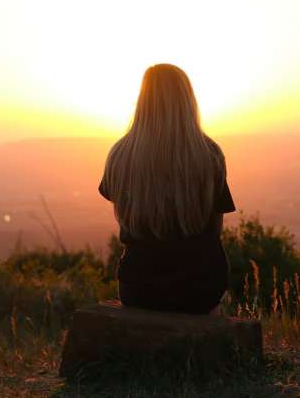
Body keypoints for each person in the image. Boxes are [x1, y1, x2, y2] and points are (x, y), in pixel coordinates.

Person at [98, 63, 236, 315]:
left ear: (142, 101)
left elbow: (124, 213)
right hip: (200, 289)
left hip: (138, 288)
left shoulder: (120, 154)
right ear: (187, 101)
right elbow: (215, 232)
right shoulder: (209, 154)